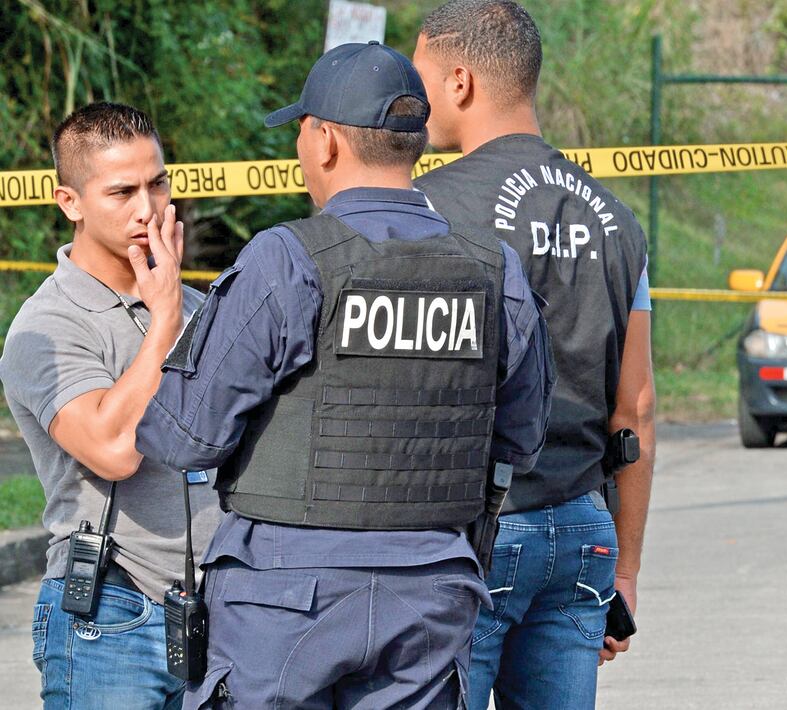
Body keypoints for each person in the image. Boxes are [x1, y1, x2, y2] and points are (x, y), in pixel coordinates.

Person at [134, 40, 553, 709]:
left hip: (282, 601)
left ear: (324, 141)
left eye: (301, 132)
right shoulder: (493, 269)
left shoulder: (287, 261)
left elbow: (185, 439)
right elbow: (521, 442)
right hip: (431, 598)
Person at [413, 3, 656, 708]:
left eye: (419, 76)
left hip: (476, 526)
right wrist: (628, 569)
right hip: (584, 527)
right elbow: (635, 406)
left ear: (458, 81)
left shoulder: (428, 209)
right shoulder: (619, 219)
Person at [0, 102, 221, 709]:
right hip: (112, 613)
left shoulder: (205, 311)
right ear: (69, 201)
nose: (146, 210)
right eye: (121, 191)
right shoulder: (46, 326)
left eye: (158, 184)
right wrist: (165, 319)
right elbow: (114, 450)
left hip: (217, 611)